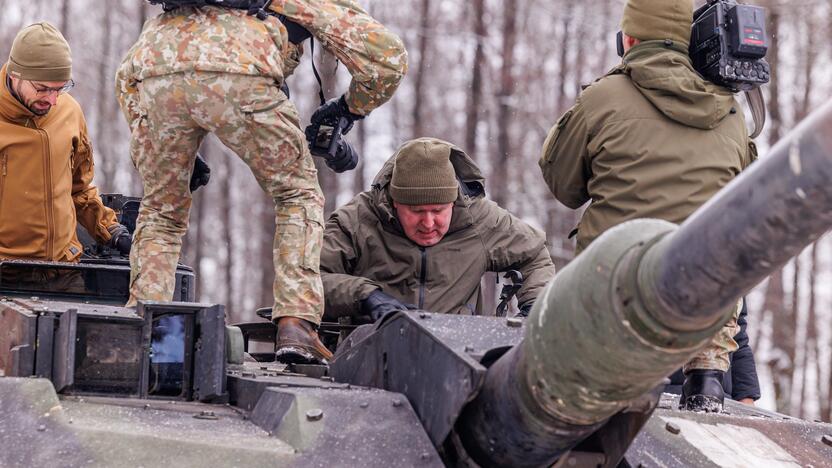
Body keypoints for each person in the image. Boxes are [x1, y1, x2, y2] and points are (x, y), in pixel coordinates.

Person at [116, 1, 407, 365]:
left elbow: (125, 80)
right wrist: (348, 108)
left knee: (161, 212)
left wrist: (160, 143)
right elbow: (387, 56)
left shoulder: (172, 14)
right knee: (296, 194)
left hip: (156, 73)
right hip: (242, 73)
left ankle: (144, 330)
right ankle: (296, 324)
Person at [538, 0, 758, 411]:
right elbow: (745, 200)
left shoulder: (602, 98)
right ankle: (707, 378)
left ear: (629, 39)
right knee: (712, 260)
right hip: (703, 310)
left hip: (614, 293)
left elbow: (564, 187)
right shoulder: (731, 112)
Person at [321, 138, 555, 323]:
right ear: (394, 202)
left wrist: (534, 309)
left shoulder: (479, 219)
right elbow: (306, 277)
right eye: (416, 211)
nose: (429, 223)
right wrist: (366, 296)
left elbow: (534, 254)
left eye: (438, 210)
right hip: (365, 358)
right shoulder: (357, 221)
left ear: (453, 201)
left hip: (459, 356)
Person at [0, 22, 129, 264]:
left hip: (64, 267)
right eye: (42, 89)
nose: (53, 100)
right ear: (15, 74)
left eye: (61, 89)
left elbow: (79, 190)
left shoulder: (69, 111)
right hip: (4, 273)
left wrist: (110, 230)